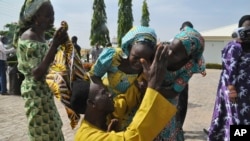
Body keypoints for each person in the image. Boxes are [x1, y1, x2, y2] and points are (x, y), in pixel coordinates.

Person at [74, 45, 177, 141]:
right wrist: (153, 86)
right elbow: (133, 137)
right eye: (104, 93)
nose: (110, 94)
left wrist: (144, 79)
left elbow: (125, 101)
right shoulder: (87, 137)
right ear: (92, 103)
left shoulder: (101, 116)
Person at [14, 0, 68, 140]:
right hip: (35, 93)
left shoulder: (42, 36)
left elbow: (49, 62)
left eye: (53, 15)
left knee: (54, 128)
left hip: (44, 90)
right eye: (47, 15)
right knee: (42, 133)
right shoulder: (29, 37)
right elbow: (37, 73)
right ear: (36, 16)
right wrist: (54, 44)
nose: (52, 19)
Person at [207, 15, 250, 141]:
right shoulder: (234, 47)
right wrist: (231, 90)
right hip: (236, 94)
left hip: (247, 94)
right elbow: (229, 70)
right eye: (247, 26)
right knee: (237, 119)